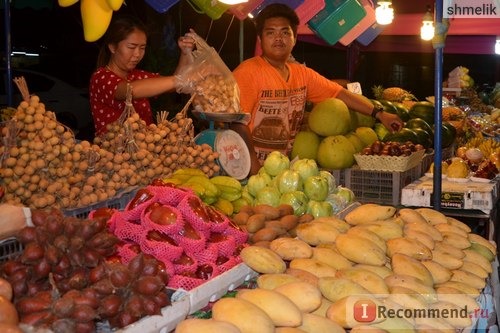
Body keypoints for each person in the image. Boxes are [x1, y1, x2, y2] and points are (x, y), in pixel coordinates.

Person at [231, 3, 403, 175]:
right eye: (271, 33)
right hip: (248, 170)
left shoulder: (302, 74)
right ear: (260, 39)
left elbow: (339, 93)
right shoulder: (247, 72)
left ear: (294, 38)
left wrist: (379, 114)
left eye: (285, 32)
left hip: (280, 170)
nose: (278, 38)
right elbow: (237, 123)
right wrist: (254, 167)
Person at [89, 14, 195, 136]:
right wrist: (187, 78)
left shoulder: (137, 76)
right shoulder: (100, 78)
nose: (137, 54)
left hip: (145, 152)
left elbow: (173, 85)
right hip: (115, 152)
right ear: (113, 47)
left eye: (142, 48)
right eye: (131, 47)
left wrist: (185, 52)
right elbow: (132, 90)